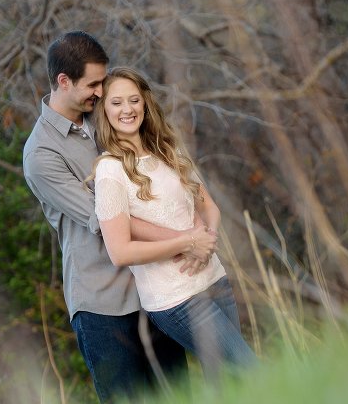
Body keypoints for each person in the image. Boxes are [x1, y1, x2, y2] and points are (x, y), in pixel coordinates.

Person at [23, 31, 204, 404]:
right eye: (93, 84)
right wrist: (183, 238)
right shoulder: (41, 154)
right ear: (63, 81)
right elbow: (107, 220)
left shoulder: (105, 115)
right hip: (103, 305)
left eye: (102, 83)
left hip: (156, 290)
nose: (101, 92)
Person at [90, 66, 256, 380]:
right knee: (251, 373)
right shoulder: (109, 171)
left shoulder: (168, 149)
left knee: (228, 387)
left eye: (134, 100)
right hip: (176, 297)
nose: (128, 109)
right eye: (117, 103)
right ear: (104, 110)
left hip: (214, 279)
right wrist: (187, 243)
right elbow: (120, 252)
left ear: (144, 103)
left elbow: (209, 207)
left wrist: (207, 241)